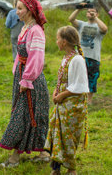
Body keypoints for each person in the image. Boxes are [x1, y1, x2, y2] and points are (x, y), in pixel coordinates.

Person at [0, 0, 50, 168]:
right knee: (30, 115)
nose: (17, 12)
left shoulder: (36, 31)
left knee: (24, 116)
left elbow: (36, 59)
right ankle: (43, 152)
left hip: (31, 80)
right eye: (16, 8)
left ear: (29, 10)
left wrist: (26, 79)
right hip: (22, 76)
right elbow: (21, 55)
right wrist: (17, 74)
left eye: (20, 8)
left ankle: (14, 158)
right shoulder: (25, 27)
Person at [44, 25, 89, 175]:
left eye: (57, 38)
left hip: (72, 104)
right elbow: (62, 80)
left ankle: (71, 168)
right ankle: (56, 168)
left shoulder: (77, 60)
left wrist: (62, 95)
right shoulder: (66, 58)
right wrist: (56, 91)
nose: (56, 41)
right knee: (57, 134)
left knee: (68, 137)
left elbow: (80, 85)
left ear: (64, 41)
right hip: (62, 103)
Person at [68, 4, 107, 103]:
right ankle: (79, 96)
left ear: (97, 14)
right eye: (88, 12)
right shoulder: (82, 24)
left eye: (93, 12)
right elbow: (71, 19)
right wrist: (78, 9)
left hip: (94, 58)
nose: (90, 13)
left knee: (92, 78)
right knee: (79, 77)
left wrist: (96, 18)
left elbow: (104, 29)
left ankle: (89, 100)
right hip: (81, 56)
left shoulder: (98, 26)